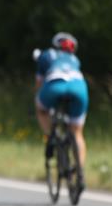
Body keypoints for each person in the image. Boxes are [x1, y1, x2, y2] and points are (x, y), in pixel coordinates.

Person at [34, 32, 89, 182]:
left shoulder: (47, 55)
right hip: (79, 87)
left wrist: (40, 101)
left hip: (54, 84)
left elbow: (39, 84)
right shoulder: (75, 59)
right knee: (77, 132)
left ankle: (50, 136)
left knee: (41, 109)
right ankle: (80, 172)